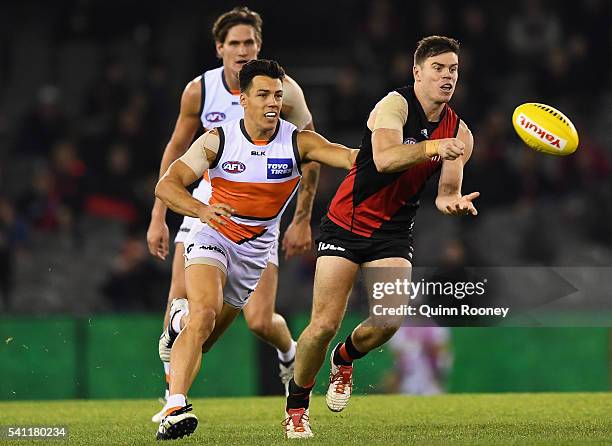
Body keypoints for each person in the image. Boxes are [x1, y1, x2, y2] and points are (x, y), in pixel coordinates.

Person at [282, 35, 480, 439]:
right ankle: (297, 406)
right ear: (418, 72)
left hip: (393, 232)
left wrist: (454, 202)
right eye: (438, 69)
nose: (447, 77)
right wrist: (434, 147)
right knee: (321, 325)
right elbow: (387, 158)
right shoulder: (394, 105)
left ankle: (345, 358)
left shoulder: (460, 132)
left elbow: (444, 196)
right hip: (346, 223)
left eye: (453, 70)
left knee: (389, 321)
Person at [153, 59, 358, 440]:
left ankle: (175, 324)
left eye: (277, 95)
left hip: (256, 251)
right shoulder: (218, 139)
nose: (272, 103)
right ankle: (175, 405)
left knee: (205, 337)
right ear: (243, 100)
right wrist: (202, 210)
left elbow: (349, 158)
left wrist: (403, 155)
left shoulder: (299, 142)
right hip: (212, 235)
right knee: (204, 315)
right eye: (262, 94)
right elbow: (167, 186)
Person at [146, 7, 319, 422]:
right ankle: (173, 400)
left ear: (259, 46)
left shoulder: (284, 92)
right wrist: (159, 215)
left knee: (259, 320)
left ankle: (288, 351)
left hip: (261, 221)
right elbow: (175, 153)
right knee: (184, 305)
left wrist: (301, 218)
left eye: (250, 43)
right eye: (235, 43)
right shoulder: (199, 91)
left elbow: (311, 153)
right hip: (206, 210)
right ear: (219, 48)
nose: (243, 50)